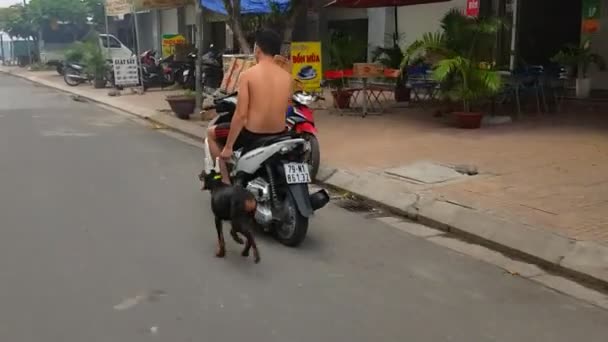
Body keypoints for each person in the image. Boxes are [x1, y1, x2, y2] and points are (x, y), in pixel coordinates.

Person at [206, 29, 292, 184]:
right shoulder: (287, 77)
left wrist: (228, 147)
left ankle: (225, 183)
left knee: (211, 133)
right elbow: (287, 107)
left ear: (257, 49)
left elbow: (240, 115)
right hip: (279, 134)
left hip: (253, 135)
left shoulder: (248, 75)